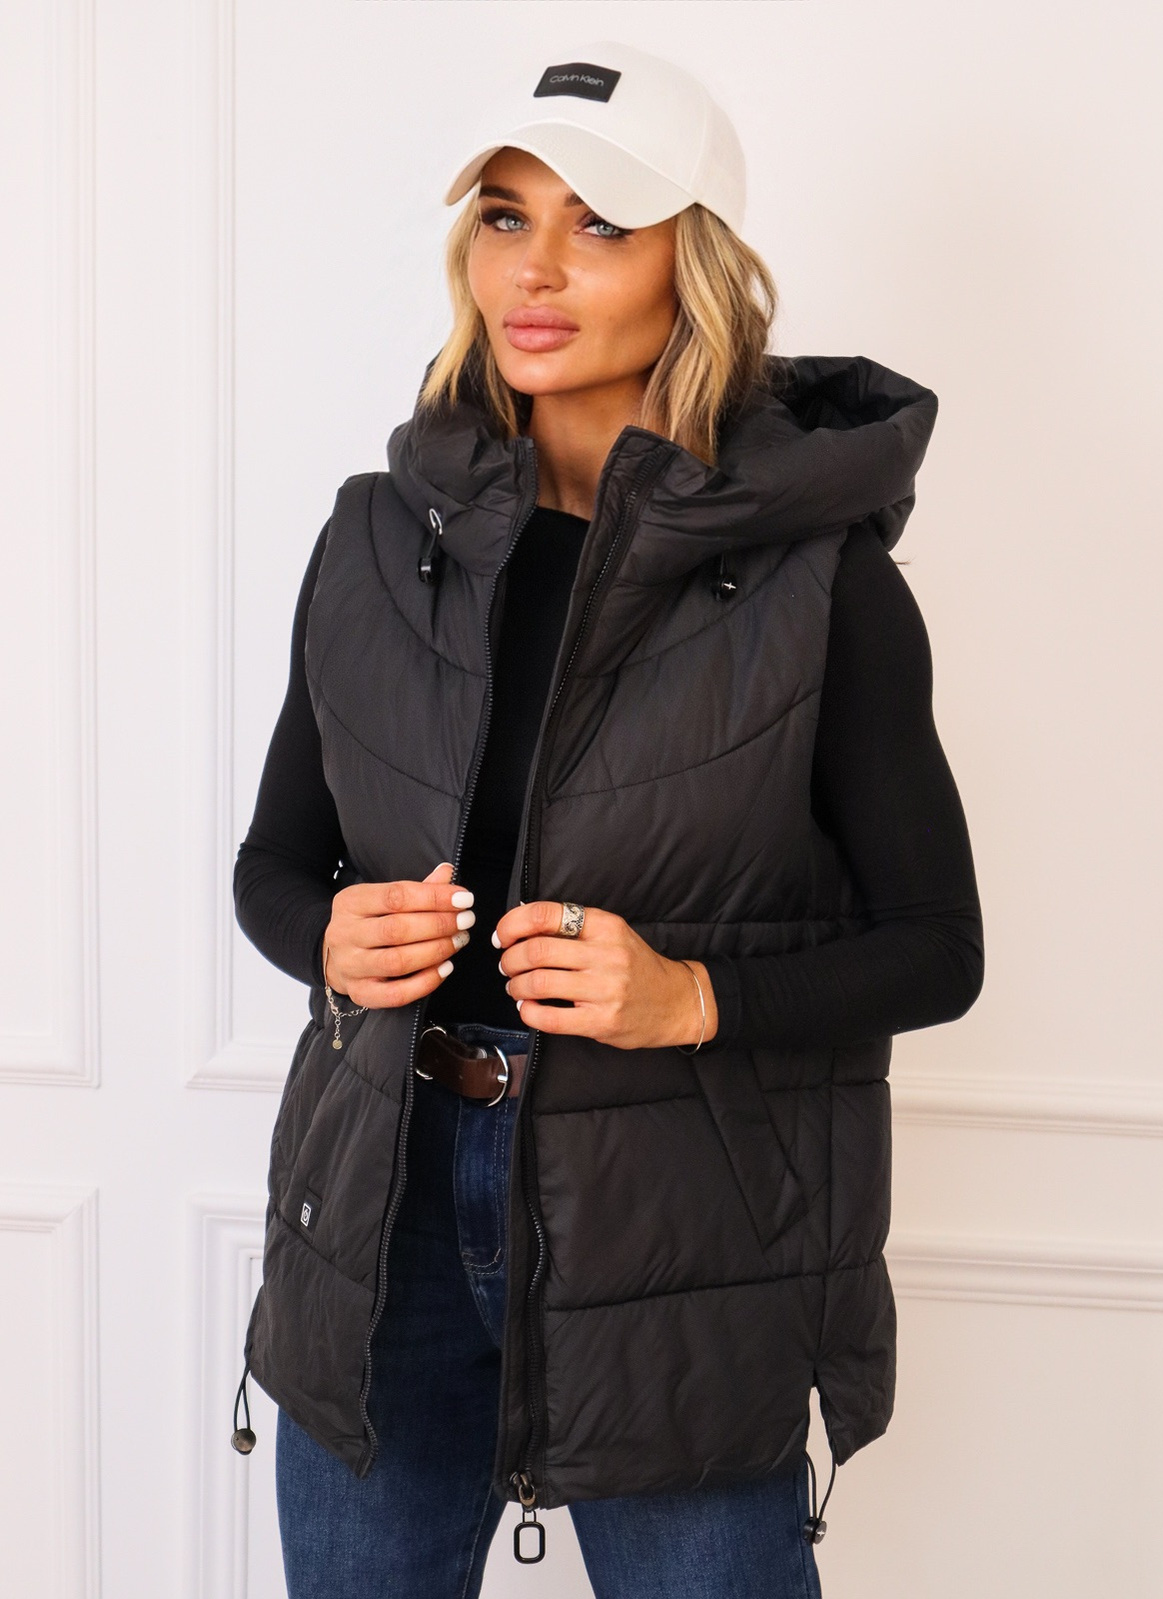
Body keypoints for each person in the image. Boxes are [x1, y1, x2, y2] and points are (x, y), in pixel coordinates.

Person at [231, 39, 983, 1599]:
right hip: (382, 1214)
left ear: (692, 266)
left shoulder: (821, 584)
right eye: (506, 217)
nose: (538, 267)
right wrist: (327, 934)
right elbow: (274, 863)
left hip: (678, 1239)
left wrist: (689, 996)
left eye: (603, 224)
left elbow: (937, 947)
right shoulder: (375, 541)